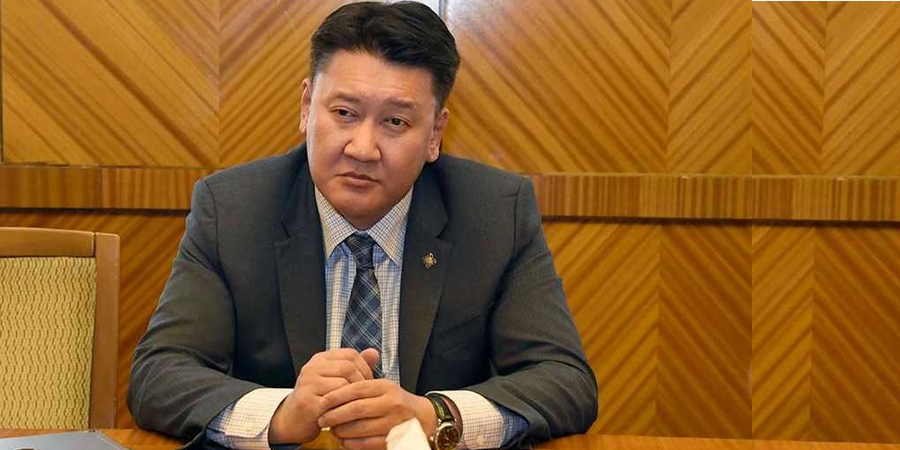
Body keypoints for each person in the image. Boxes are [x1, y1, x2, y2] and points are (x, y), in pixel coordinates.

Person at [127, 2, 597, 449]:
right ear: (306, 106)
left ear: (435, 133)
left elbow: (565, 381)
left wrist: (436, 417)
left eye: (395, 122)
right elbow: (159, 374)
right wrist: (282, 414)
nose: (363, 148)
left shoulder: (495, 213)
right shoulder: (233, 210)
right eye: (344, 114)